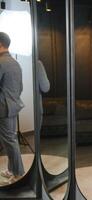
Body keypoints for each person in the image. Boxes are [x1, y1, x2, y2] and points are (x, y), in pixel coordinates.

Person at [0, 32, 25, 185]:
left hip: (3, 108)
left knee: (9, 141)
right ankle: (11, 169)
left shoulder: (1, 62)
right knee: (10, 139)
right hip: (13, 106)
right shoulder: (15, 62)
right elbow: (20, 87)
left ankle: (18, 172)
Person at [36, 60, 50, 132]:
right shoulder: (37, 64)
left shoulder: (15, 61)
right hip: (35, 107)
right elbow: (45, 87)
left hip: (13, 107)